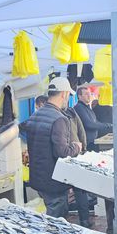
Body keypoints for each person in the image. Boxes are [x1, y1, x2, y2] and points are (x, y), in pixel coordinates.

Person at [21, 77, 82, 219]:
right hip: (54, 182)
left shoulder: (35, 116)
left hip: (38, 179)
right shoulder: (60, 118)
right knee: (55, 223)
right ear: (64, 94)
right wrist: (76, 147)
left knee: (47, 218)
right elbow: (62, 152)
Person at [63, 104, 93, 228]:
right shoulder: (72, 112)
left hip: (63, 156)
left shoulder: (57, 115)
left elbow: (80, 130)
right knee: (80, 190)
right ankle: (84, 220)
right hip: (75, 153)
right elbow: (82, 131)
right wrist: (83, 149)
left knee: (63, 190)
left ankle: (64, 221)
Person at [73, 86, 112, 152]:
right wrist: (107, 125)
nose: (89, 96)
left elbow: (96, 122)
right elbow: (89, 124)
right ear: (79, 96)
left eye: (90, 94)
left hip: (93, 141)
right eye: (86, 94)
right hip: (87, 144)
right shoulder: (79, 107)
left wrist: (109, 126)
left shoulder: (88, 108)